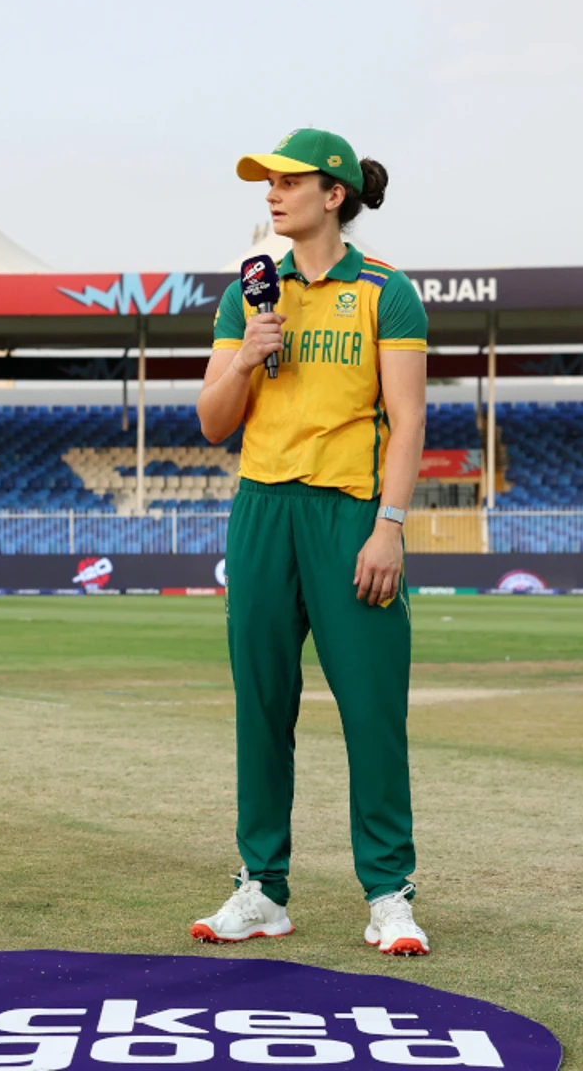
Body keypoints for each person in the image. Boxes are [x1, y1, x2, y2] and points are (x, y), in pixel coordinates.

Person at [190, 129, 432, 957]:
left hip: (351, 516)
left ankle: (389, 894)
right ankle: (262, 888)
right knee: (261, 706)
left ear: (334, 194)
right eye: (267, 181)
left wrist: (390, 528)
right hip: (262, 510)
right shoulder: (248, 294)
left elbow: (408, 422)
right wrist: (249, 357)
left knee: (372, 712)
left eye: (288, 181)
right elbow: (214, 422)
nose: (271, 192)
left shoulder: (386, 291)